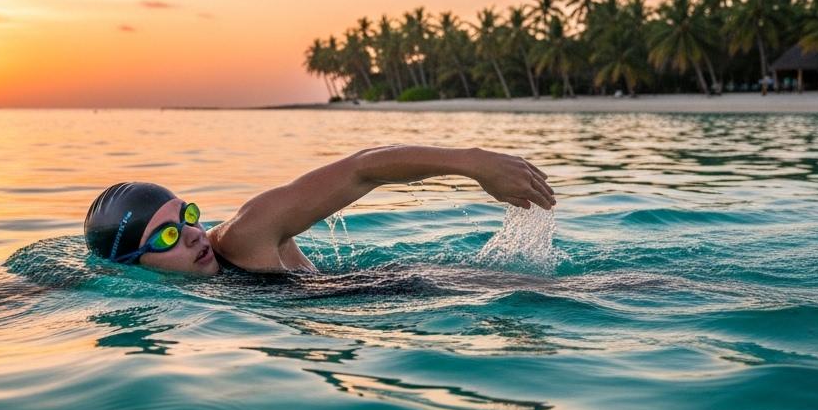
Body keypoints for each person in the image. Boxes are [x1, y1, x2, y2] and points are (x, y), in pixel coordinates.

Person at [83, 145, 555, 277]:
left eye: (187, 215)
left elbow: (362, 170)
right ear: (132, 266)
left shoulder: (247, 235)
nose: (191, 235)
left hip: (416, 289)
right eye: (166, 237)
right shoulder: (126, 280)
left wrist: (473, 163)